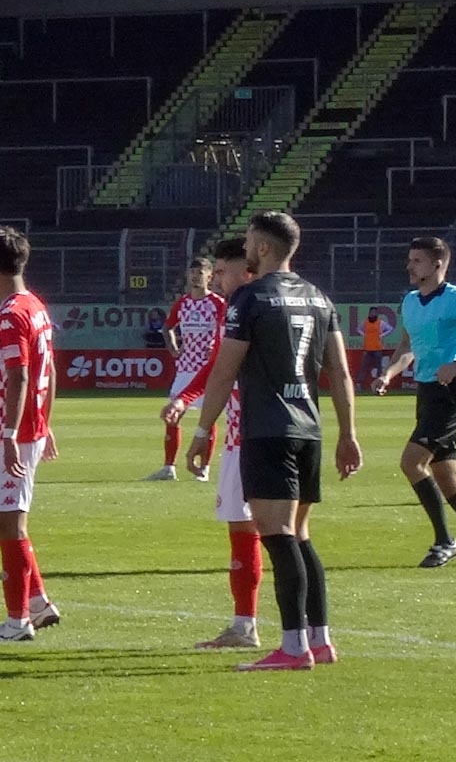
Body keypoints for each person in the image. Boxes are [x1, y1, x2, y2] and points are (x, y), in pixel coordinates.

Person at [195, 211, 361, 672]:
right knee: (300, 535)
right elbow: (340, 372)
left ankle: (293, 647)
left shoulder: (250, 298)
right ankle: (319, 639)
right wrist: (348, 434)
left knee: (278, 535)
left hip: (268, 429)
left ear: (264, 248)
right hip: (309, 429)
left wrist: (203, 431)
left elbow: (225, 370)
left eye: (250, 241)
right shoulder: (319, 297)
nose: (246, 248)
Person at [372, 238, 456, 568]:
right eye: (409, 259)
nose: (409, 266)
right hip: (427, 392)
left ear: (437, 264)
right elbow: (407, 346)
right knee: (447, 478)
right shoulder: (410, 301)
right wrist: (389, 373)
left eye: (416, 260)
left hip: (453, 392)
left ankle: (444, 542)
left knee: (411, 463)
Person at [170, 237, 262, 650]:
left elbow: (219, 367)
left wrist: (202, 428)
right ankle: (311, 636)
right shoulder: (306, 298)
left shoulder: (241, 308)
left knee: (245, 529)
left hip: (247, 435)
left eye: (222, 271)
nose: (217, 279)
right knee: (291, 532)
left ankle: (246, 626)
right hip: (297, 430)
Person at [0, 225, 61, 643]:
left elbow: (19, 374)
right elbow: (51, 369)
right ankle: (38, 601)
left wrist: (11, 432)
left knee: (9, 523)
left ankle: (17, 621)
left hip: (14, 431)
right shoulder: (35, 306)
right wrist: (46, 422)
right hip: (20, 428)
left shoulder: (11, 314)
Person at [146, 257, 227, 482]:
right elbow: (168, 327)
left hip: (207, 369)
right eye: (192, 273)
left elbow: (225, 329)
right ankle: (169, 467)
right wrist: (172, 346)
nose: (195, 277)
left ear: (209, 276)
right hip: (185, 369)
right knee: (172, 416)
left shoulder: (217, 303)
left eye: (200, 273)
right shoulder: (183, 303)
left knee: (207, 418)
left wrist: (215, 346)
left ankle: (204, 469)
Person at [356, 310, 387, 392]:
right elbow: (358, 329)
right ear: (369, 313)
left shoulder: (381, 323)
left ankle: (379, 385)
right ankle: (358, 384)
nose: (373, 314)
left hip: (377, 348)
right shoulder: (365, 323)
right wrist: (364, 335)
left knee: (379, 368)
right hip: (367, 348)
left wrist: (382, 335)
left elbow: (390, 329)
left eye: (374, 313)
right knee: (364, 367)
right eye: (371, 312)